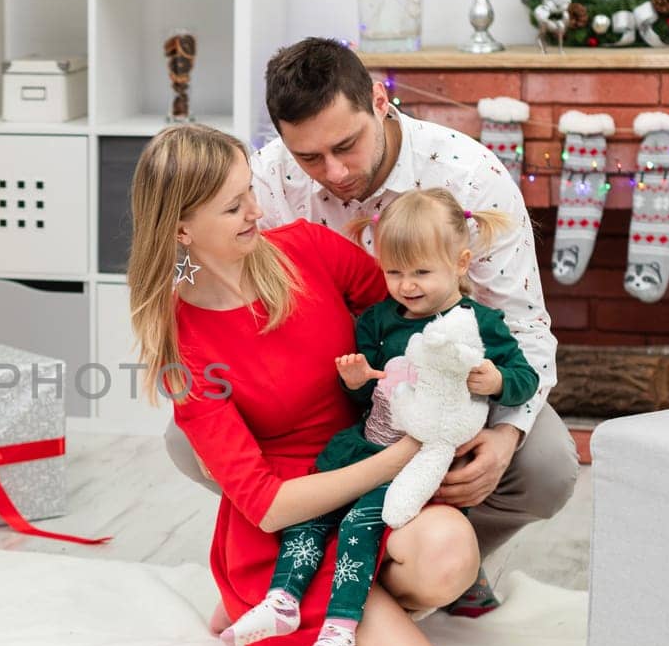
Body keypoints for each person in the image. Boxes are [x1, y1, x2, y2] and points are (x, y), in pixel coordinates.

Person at [164, 38, 578, 611]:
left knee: (549, 465)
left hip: (448, 384)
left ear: (380, 102)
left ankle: (448, 559)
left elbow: (525, 329)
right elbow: (223, 283)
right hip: (327, 384)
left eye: (346, 145)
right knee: (187, 440)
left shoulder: (470, 175)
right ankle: (329, 549)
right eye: (309, 157)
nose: (333, 173)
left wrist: (506, 436)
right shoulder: (266, 181)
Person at [128, 123, 480, 646]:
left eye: (250, 193)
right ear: (182, 228)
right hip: (290, 523)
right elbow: (264, 503)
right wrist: (397, 459)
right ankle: (278, 606)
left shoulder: (308, 251)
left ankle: (356, 601)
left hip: (364, 470)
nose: (256, 211)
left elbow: (410, 316)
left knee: (450, 554)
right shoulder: (183, 343)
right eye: (234, 205)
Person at [221, 187, 539, 646]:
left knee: (358, 529)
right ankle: (282, 598)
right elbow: (367, 394)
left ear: (459, 264)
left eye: (421, 273)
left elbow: (525, 376)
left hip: (419, 463)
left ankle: (341, 627)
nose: (406, 286)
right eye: (394, 272)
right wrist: (355, 380)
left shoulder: (479, 324)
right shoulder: (377, 319)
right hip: (371, 443)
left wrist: (497, 382)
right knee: (314, 513)